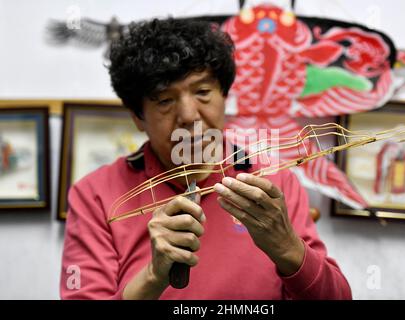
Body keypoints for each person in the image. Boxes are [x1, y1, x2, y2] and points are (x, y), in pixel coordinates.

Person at [60, 18, 352, 300]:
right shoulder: (96, 195)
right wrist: (152, 276)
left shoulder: (274, 182)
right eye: (164, 100)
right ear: (138, 116)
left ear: (224, 96)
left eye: (202, 92)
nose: (189, 115)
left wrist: (288, 248)